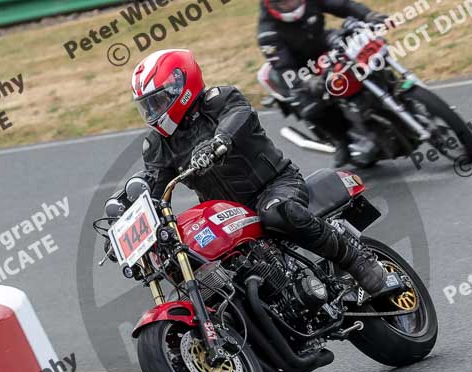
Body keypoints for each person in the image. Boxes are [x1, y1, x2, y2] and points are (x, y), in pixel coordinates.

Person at [105, 49, 394, 297]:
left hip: (275, 185)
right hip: (228, 213)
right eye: (147, 106)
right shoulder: (158, 144)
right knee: (187, 254)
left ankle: (356, 259)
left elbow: (238, 116)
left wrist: (219, 140)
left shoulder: (220, 100)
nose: (153, 111)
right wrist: (125, 222)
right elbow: (155, 183)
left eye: (157, 101)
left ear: (181, 86)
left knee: (276, 212)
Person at [258, 0, 388, 165]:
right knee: (310, 106)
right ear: (272, 5)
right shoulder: (267, 33)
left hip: (324, 45)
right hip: (302, 69)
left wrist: (368, 15)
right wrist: (308, 82)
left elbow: (343, 5)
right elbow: (284, 68)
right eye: (285, 3)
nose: (292, 4)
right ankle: (341, 141)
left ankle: (390, 88)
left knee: (366, 47)